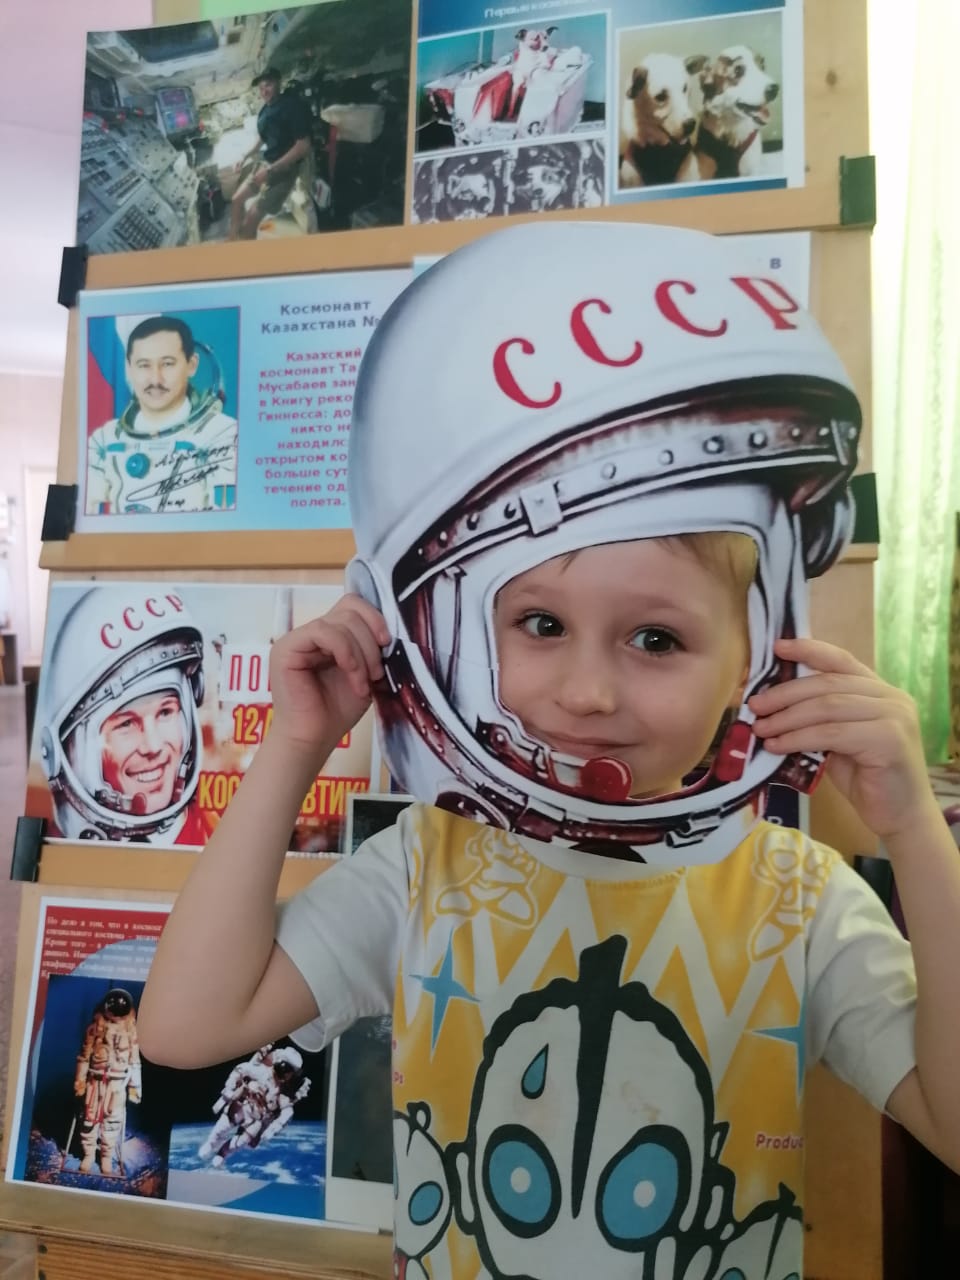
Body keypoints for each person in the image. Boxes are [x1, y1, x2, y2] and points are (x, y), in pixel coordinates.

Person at [139, 223, 960, 1278]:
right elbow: (184, 1026)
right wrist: (295, 746)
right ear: (441, 634)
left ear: (757, 650)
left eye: (656, 638)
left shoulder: (802, 900)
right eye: (539, 623)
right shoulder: (423, 871)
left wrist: (916, 834)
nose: (588, 690)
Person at [40, 585, 210, 847]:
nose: (153, 746)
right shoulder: (51, 857)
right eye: (126, 724)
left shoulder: (221, 840)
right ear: (75, 753)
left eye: (165, 712)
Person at [86, 315, 237, 517]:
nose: (155, 379)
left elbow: (224, 522)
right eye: (143, 365)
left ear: (191, 365)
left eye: (167, 364)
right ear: (129, 369)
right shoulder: (104, 439)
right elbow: (90, 517)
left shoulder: (223, 434)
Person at [229, 67, 312, 241]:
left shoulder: (291, 107)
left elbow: (303, 146)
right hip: (266, 165)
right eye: (260, 88)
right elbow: (262, 137)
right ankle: (233, 240)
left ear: (278, 83)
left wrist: (269, 171)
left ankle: (245, 248)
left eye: (268, 85)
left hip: (284, 170)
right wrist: (244, 156)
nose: (264, 91)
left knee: (251, 217)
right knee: (236, 200)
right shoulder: (265, 110)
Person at [198, 1043, 311, 1168]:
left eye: (291, 1074)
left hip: (256, 1119)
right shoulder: (260, 1071)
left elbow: (287, 1112)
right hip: (243, 1106)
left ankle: (222, 1153)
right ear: (282, 1066)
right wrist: (229, 1089)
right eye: (288, 1072)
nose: (288, 1076)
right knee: (221, 1129)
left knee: (241, 1142)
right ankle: (211, 1143)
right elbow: (240, 1069)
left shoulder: (282, 1093)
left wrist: (272, 1130)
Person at [73, 988, 141, 1176]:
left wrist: (134, 1087)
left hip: (117, 1085)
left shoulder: (131, 1031)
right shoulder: (94, 1029)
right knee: (89, 1118)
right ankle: (88, 1154)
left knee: (113, 1121)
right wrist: (80, 1082)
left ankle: (106, 1156)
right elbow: (84, 1058)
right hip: (95, 1083)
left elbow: (134, 1062)